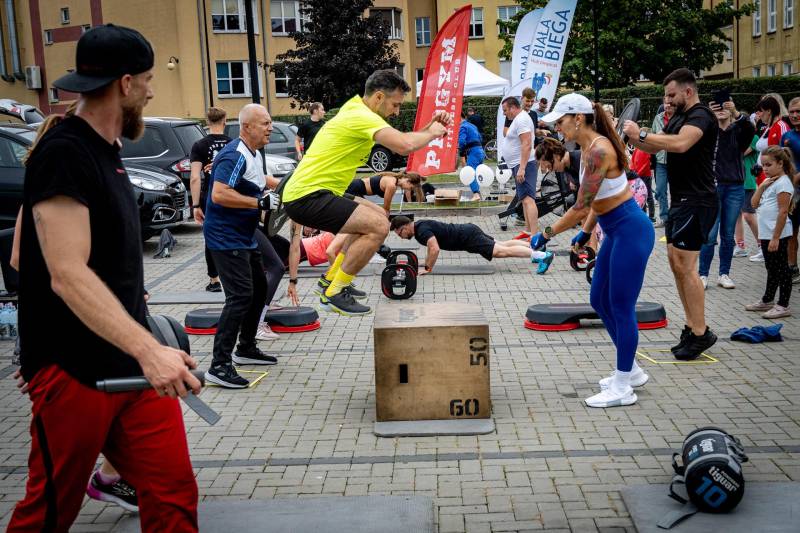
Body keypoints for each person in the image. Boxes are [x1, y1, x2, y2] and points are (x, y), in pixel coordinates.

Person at [9, 24, 200, 532]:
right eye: (148, 80)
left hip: (132, 364)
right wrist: (148, 350)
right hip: (75, 369)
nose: (152, 91)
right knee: (49, 510)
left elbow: (46, 260)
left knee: (173, 493)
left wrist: (140, 328)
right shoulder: (64, 152)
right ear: (125, 83)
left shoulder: (106, 151)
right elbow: (65, 273)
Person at [10, 107, 141, 515]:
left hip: (103, 334)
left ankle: (111, 479)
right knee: (55, 479)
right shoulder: (53, 183)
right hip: (63, 337)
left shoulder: (96, 177)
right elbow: (20, 260)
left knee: (117, 420)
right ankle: (106, 479)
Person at [281, 69, 450, 316]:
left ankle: (330, 280)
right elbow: (405, 146)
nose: (397, 112)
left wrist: (431, 126)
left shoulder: (357, 109)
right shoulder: (362, 116)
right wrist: (433, 131)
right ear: (379, 97)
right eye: (395, 105)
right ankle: (335, 291)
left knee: (379, 217)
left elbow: (405, 139)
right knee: (378, 227)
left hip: (316, 192)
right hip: (307, 195)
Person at [530, 93, 655, 408]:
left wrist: (545, 234)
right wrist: (586, 232)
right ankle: (632, 371)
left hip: (631, 232)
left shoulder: (598, 150)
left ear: (578, 118)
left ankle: (623, 387)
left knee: (621, 306)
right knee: (599, 299)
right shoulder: (587, 149)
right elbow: (597, 203)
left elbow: (580, 206)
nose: (557, 128)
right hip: (615, 231)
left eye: (560, 121)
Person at [623, 68, 719, 361]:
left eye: (671, 94)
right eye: (666, 95)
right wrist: (629, 137)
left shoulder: (701, 116)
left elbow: (680, 144)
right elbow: (655, 145)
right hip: (680, 200)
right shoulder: (678, 117)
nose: (667, 100)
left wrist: (640, 133)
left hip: (698, 200)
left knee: (687, 268)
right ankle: (691, 326)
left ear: (688, 91)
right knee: (677, 264)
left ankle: (701, 333)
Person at [203, 103, 280, 388]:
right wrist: (258, 202)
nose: (270, 127)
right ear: (247, 127)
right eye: (265, 123)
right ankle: (219, 366)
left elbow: (259, 181)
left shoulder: (253, 153)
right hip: (225, 237)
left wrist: (287, 185)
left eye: (270, 122)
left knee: (258, 289)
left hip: (244, 235)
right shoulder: (234, 155)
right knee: (239, 297)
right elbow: (220, 194)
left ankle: (246, 348)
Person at [698, 97, 755, 290]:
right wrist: (709, 114)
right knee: (709, 234)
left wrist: (736, 112)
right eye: (717, 106)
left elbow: (751, 129)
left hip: (734, 187)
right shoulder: (708, 130)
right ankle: (703, 274)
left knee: (728, 234)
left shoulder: (738, 130)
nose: (721, 109)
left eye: (724, 105)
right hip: (712, 187)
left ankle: (724, 274)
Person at [390, 216, 554, 274]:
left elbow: (434, 249)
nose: (401, 237)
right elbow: (430, 249)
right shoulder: (420, 226)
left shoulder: (421, 230)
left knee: (501, 252)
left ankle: (542, 256)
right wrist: (426, 263)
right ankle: (533, 247)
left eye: (399, 233)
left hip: (467, 237)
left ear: (405, 227)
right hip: (468, 230)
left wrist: (428, 268)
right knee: (501, 244)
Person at [745, 146, 796, 318]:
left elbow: (783, 211)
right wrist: (760, 187)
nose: (765, 169)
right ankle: (767, 300)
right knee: (771, 268)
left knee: (782, 269)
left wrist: (775, 238)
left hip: (778, 234)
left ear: (780, 164)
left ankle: (783, 305)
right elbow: (753, 204)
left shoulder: (783, 183)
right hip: (766, 233)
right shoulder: (769, 182)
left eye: (769, 165)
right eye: (763, 165)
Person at [190, 106, 230, 293]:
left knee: (211, 237)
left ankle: (214, 280)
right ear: (225, 121)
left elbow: (195, 177)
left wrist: (196, 205)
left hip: (210, 197)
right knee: (233, 233)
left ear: (207, 122)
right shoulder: (233, 143)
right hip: (230, 194)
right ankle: (233, 274)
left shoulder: (199, 145)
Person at [501, 96, 539, 241]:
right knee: (524, 199)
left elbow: (526, 143)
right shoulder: (518, 119)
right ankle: (529, 231)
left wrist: (522, 168)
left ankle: (535, 235)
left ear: (512, 107)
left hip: (524, 163)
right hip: (519, 163)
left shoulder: (522, 119)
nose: (504, 113)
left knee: (528, 199)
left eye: (505, 110)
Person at [780, 96, 800, 283]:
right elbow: (781, 164)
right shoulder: (787, 136)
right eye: (791, 111)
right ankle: (792, 268)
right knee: (791, 232)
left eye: (798, 112)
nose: (794, 115)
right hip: (793, 192)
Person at [734, 128, 762, 260]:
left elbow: (738, 154)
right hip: (735, 181)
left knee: (748, 216)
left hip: (748, 182)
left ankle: (762, 245)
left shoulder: (754, 138)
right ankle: (740, 247)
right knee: (736, 215)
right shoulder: (735, 138)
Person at [345, 171, 424, 213]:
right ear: (409, 181)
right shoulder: (392, 185)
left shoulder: (393, 179)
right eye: (411, 188)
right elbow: (386, 208)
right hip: (353, 188)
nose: (409, 189)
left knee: (367, 212)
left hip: (354, 187)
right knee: (366, 212)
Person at [651, 99, 673, 226]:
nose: (667, 105)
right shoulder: (658, 118)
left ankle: (674, 217)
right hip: (660, 161)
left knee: (676, 191)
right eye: (665, 103)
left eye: (670, 103)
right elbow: (653, 136)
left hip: (676, 161)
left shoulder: (679, 117)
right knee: (659, 189)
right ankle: (664, 218)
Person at [458, 112, 485, 201]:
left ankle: (476, 194)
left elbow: (461, 141)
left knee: (469, 173)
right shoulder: (473, 126)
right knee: (476, 173)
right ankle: (478, 194)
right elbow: (480, 138)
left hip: (473, 152)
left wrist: (461, 152)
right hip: (480, 151)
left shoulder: (462, 127)